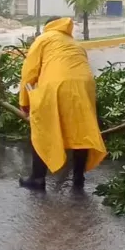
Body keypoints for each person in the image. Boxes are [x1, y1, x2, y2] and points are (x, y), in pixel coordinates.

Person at [18, 17, 107, 190]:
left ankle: (37, 178)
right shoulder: (75, 43)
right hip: (84, 86)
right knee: (82, 130)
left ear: (48, 27)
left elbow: (29, 73)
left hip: (56, 86)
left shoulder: (44, 39)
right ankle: (78, 177)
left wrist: (25, 102)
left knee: (43, 128)